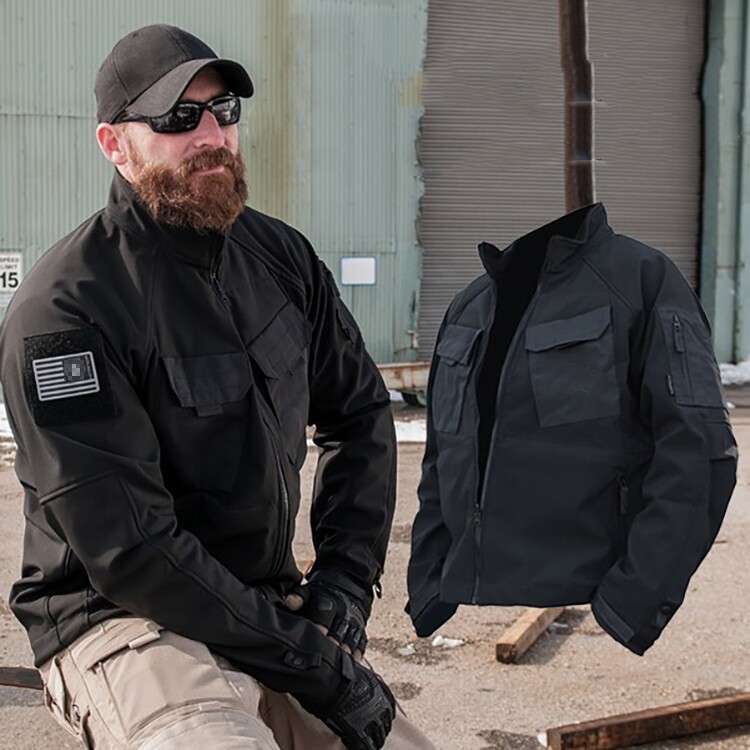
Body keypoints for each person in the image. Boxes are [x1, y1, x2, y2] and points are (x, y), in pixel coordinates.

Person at [0, 24, 435, 750]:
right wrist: (312, 664)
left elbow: (358, 413)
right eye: (177, 118)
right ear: (114, 145)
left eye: (222, 110)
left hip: (263, 609)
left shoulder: (281, 258)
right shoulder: (65, 313)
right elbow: (132, 549)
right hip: (123, 623)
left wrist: (344, 584)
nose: (211, 135)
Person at [407, 203, 737, 654]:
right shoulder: (471, 304)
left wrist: (636, 597)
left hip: (594, 587)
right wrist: (429, 579)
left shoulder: (640, 279)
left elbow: (700, 449)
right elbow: (442, 455)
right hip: (463, 585)